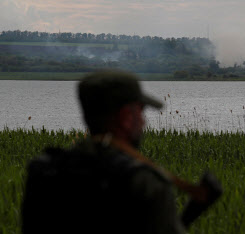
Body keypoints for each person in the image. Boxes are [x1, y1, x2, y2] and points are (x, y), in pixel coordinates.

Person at [22, 71, 185, 234]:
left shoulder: (43, 171)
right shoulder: (145, 183)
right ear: (126, 118)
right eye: (140, 111)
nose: (143, 121)